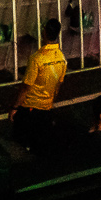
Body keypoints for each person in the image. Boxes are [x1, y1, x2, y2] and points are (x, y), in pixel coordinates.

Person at [11, 18, 67, 150]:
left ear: (44, 33)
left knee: (20, 141)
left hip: (30, 106)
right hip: (46, 108)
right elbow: (58, 85)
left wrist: (15, 107)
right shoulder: (61, 58)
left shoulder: (37, 58)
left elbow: (26, 87)